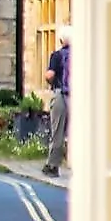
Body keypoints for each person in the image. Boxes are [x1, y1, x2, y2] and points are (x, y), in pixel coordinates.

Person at [44, 30, 71, 176]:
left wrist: (48, 81)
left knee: (58, 131)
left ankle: (52, 166)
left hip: (61, 95)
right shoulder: (82, 55)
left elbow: (50, 75)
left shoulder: (57, 55)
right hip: (80, 96)